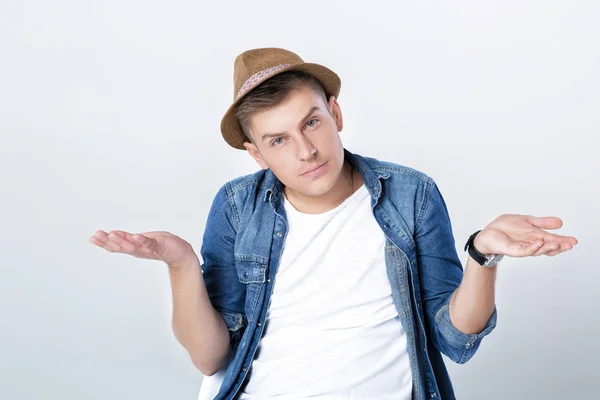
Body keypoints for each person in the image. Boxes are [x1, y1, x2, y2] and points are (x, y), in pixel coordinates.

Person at [89, 48, 578, 400]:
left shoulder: (410, 194)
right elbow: (212, 358)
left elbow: (454, 339)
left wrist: (481, 256)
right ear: (255, 154)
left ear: (335, 113)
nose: (306, 151)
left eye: (311, 122)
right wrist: (180, 264)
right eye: (278, 141)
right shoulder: (238, 207)